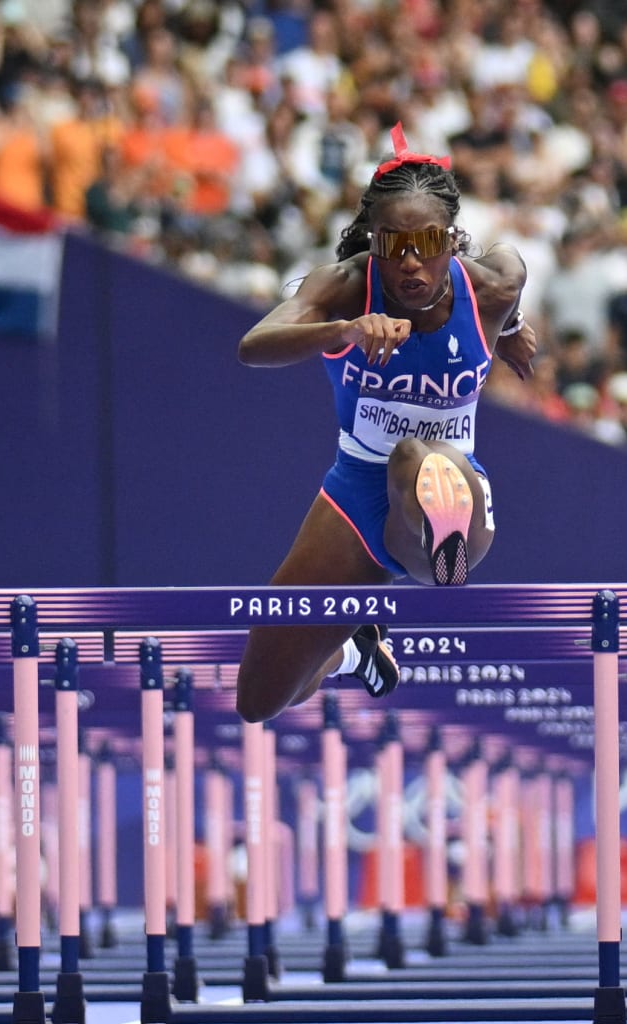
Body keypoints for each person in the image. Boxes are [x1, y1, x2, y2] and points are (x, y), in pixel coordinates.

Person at [233, 126, 537, 724]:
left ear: (451, 242)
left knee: (415, 458)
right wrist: (342, 332)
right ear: (373, 242)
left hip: (451, 489)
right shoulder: (346, 286)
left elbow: (513, 269)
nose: (411, 262)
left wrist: (509, 326)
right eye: (394, 244)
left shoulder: (491, 287)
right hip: (353, 495)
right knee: (261, 698)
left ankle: (436, 540)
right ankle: (353, 649)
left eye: (428, 242)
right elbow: (253, 345)